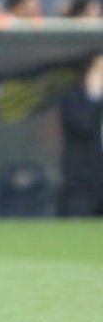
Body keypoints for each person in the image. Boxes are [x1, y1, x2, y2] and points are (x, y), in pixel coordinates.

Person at [57, 54, 103, 217]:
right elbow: (84, 126)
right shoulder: (73, 98)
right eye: (99, 70)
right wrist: (95, 95)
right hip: (83, 183)